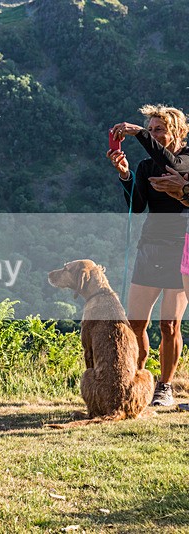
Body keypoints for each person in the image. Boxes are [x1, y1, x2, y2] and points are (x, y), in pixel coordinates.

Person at [108, 104, 189, 407]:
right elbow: (138, 205)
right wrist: (126, 175)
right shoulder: (146, 166)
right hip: (151, 246)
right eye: (150, 129)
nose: (154, 134)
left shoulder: (186, 158)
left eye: (159, 130)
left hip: (181, 248)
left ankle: (165, 387)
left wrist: (139, 133)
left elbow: (175, 165)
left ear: (178, 132)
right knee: (136, 323)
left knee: (169, 325)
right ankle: (138, 379)